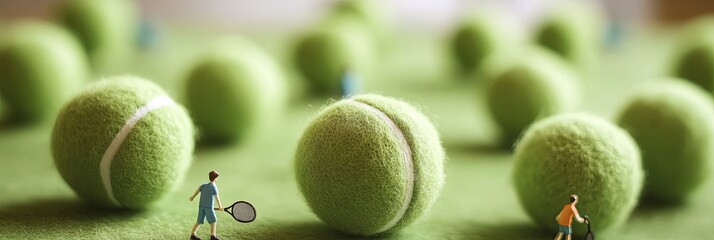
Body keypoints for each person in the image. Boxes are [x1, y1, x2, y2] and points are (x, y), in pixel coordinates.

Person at [189, 170, 224, 240]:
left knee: (199, 221)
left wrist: (192, 197)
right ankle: (213, 236)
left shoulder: (203, 185)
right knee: (213, 221)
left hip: (201, 206)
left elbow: (198, 190)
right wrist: (220, 206)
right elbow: (217, 197)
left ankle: (193, 234)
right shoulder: (214, 187)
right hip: (209, 207)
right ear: (216, 178)